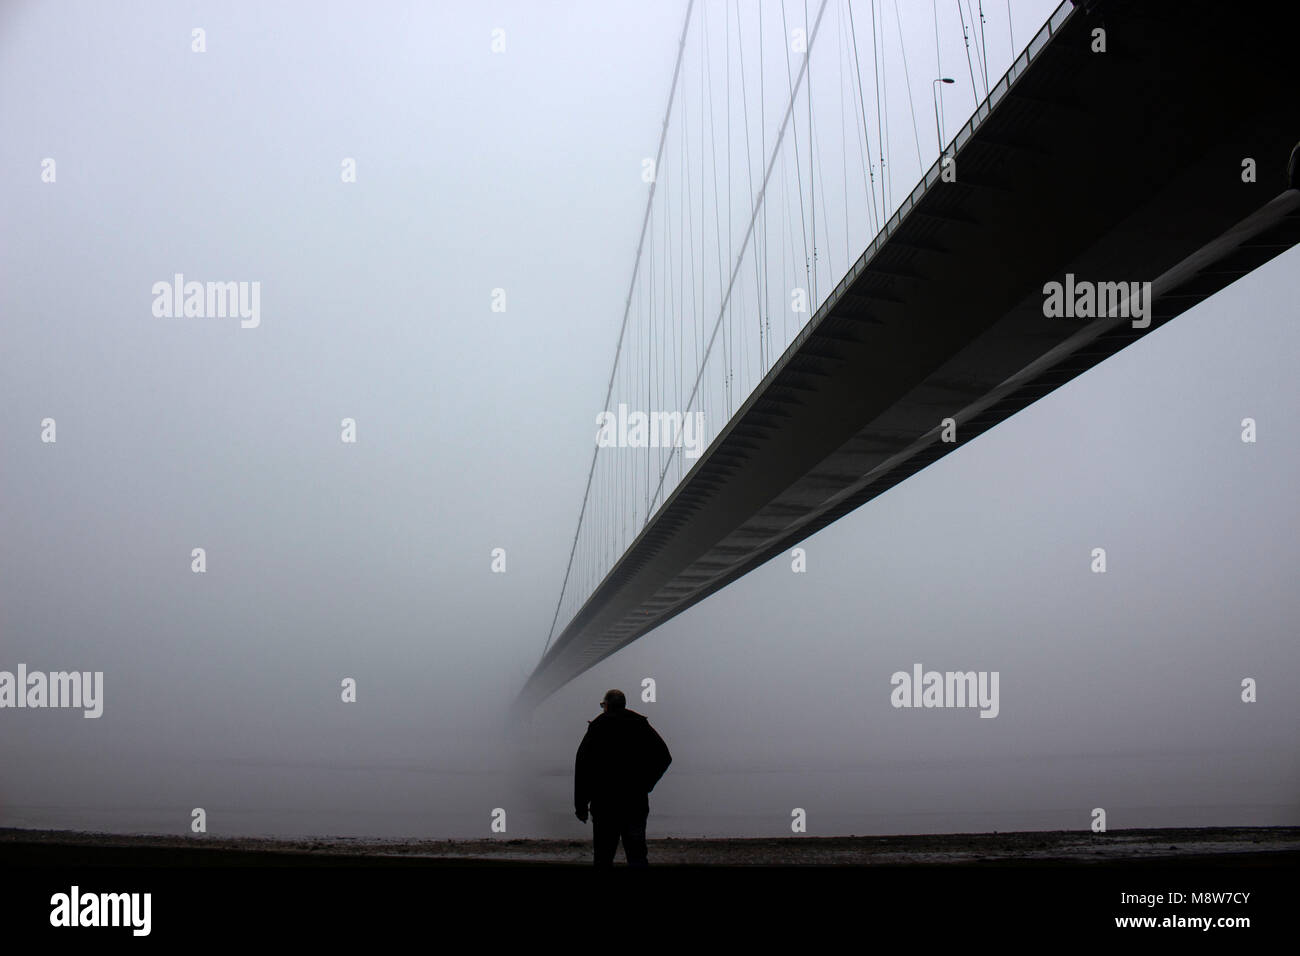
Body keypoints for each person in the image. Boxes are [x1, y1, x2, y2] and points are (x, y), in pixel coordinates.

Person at [573, 689, 672, 867]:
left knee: (603, 857)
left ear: (608, 706)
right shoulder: (640, 724)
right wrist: (646, 784)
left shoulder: (598, 726)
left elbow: (583, 767)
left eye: (603, 705)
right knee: (637, 856)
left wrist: (581, 805)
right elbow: (664, 757)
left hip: (605, 803)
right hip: (634, 801)